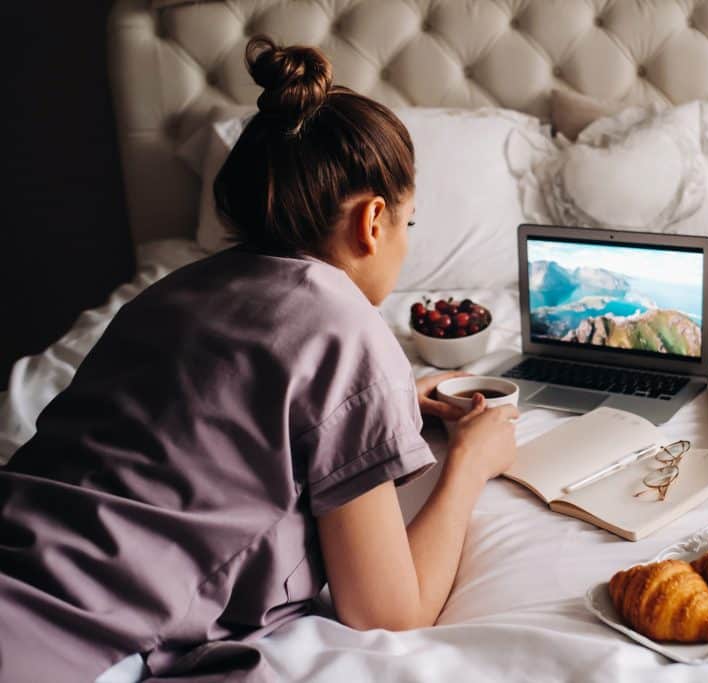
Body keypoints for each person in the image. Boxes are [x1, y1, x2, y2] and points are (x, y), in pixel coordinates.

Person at [0, 36, 518, 682]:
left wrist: (379, 409)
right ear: (373, 221)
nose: (405, 244)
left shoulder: (171, 294)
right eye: (409, 225)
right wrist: (471, 463)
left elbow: (206, 417)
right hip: (66, 647)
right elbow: (390, 610)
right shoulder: (345, 322)